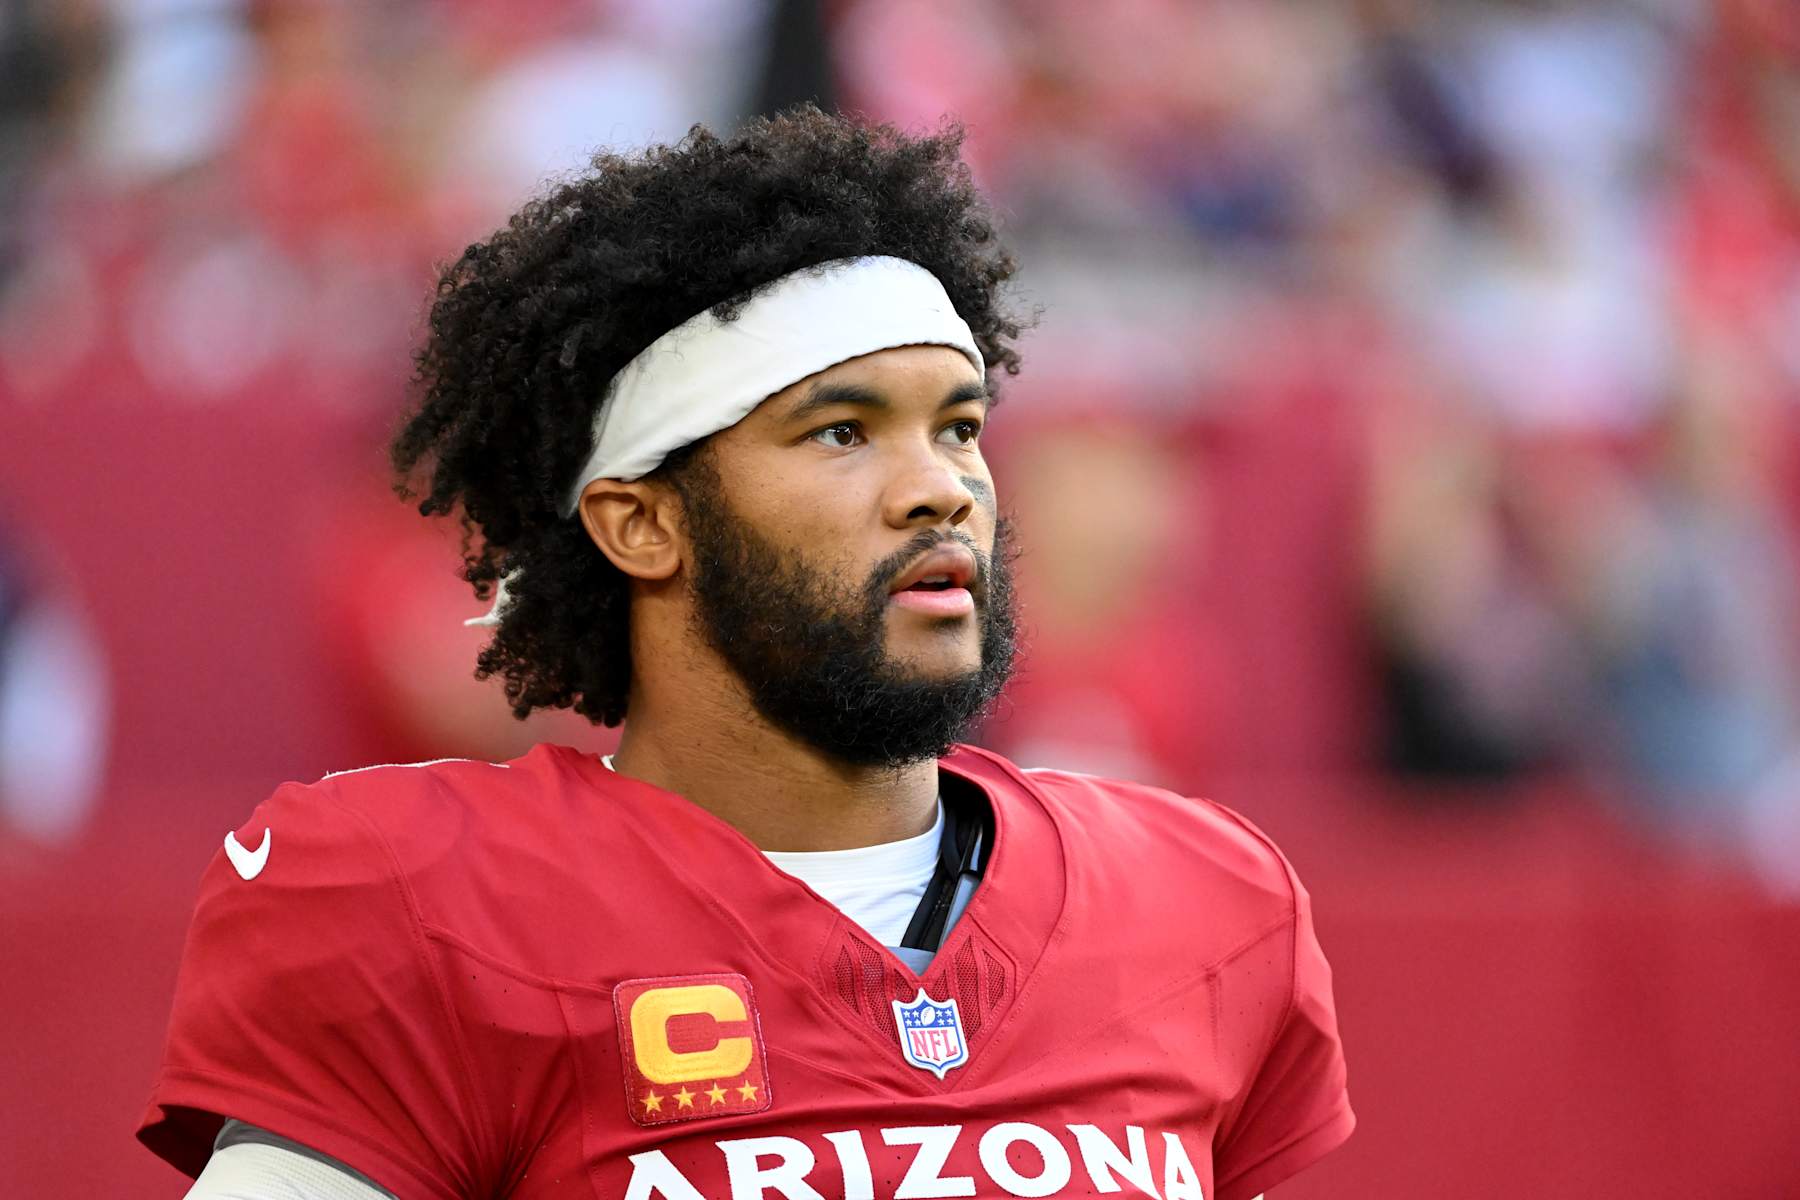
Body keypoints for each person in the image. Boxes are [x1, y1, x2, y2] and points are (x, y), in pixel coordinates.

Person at [139, 107, 1353, 1200]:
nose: (940, 488)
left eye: (960, 426)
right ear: (644, 522)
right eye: (841, 431)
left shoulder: (1207, 903)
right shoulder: (426, 909)